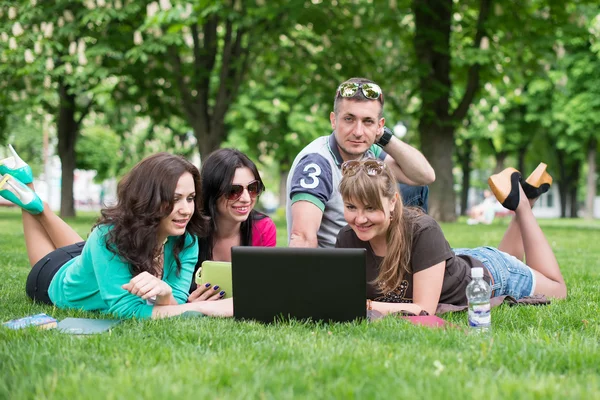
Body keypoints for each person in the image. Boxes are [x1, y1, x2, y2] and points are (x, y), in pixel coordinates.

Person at [0, 148, 230, 319]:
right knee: (95, 243)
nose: (186, 210)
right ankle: (32, 202)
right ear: (149, 199)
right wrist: (203, 307)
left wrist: (165, 294)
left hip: (90, 257)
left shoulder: (186, 240)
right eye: (175, 198)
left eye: (190, 198)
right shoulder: (108, 238)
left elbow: (175, 301)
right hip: (51, 276)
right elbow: (126, 310)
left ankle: (33, 199)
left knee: (92, 251)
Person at [335, 159, 566, 316]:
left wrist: (365, 305)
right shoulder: (347, 238)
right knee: (509, 255)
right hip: (452, 262)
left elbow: (423, 308)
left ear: (393, 201)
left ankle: (523, 204)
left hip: (494, 274)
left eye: (370, 208)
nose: (359, 218)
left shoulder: (422, 231)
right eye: (350, 207)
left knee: (558, 290)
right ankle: (528, 194)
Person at [286, 77, 435, 248]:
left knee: (413, 187)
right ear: (334, 120)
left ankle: (412, 257)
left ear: (380, 125)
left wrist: (383, 137)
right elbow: (302, 238)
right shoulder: (316, 163)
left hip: (373, 255)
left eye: (367, 121)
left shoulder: (370, 152)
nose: (358, 132)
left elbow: (424, 176)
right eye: (349, 119)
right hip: (343, 265)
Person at [188, 148, 276, 299]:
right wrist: (192, 301)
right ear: (212, 193)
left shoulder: (263, 228)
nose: (246, 199)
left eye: (252, 188)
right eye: (234, 190)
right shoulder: (190, 231)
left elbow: (267, 289)